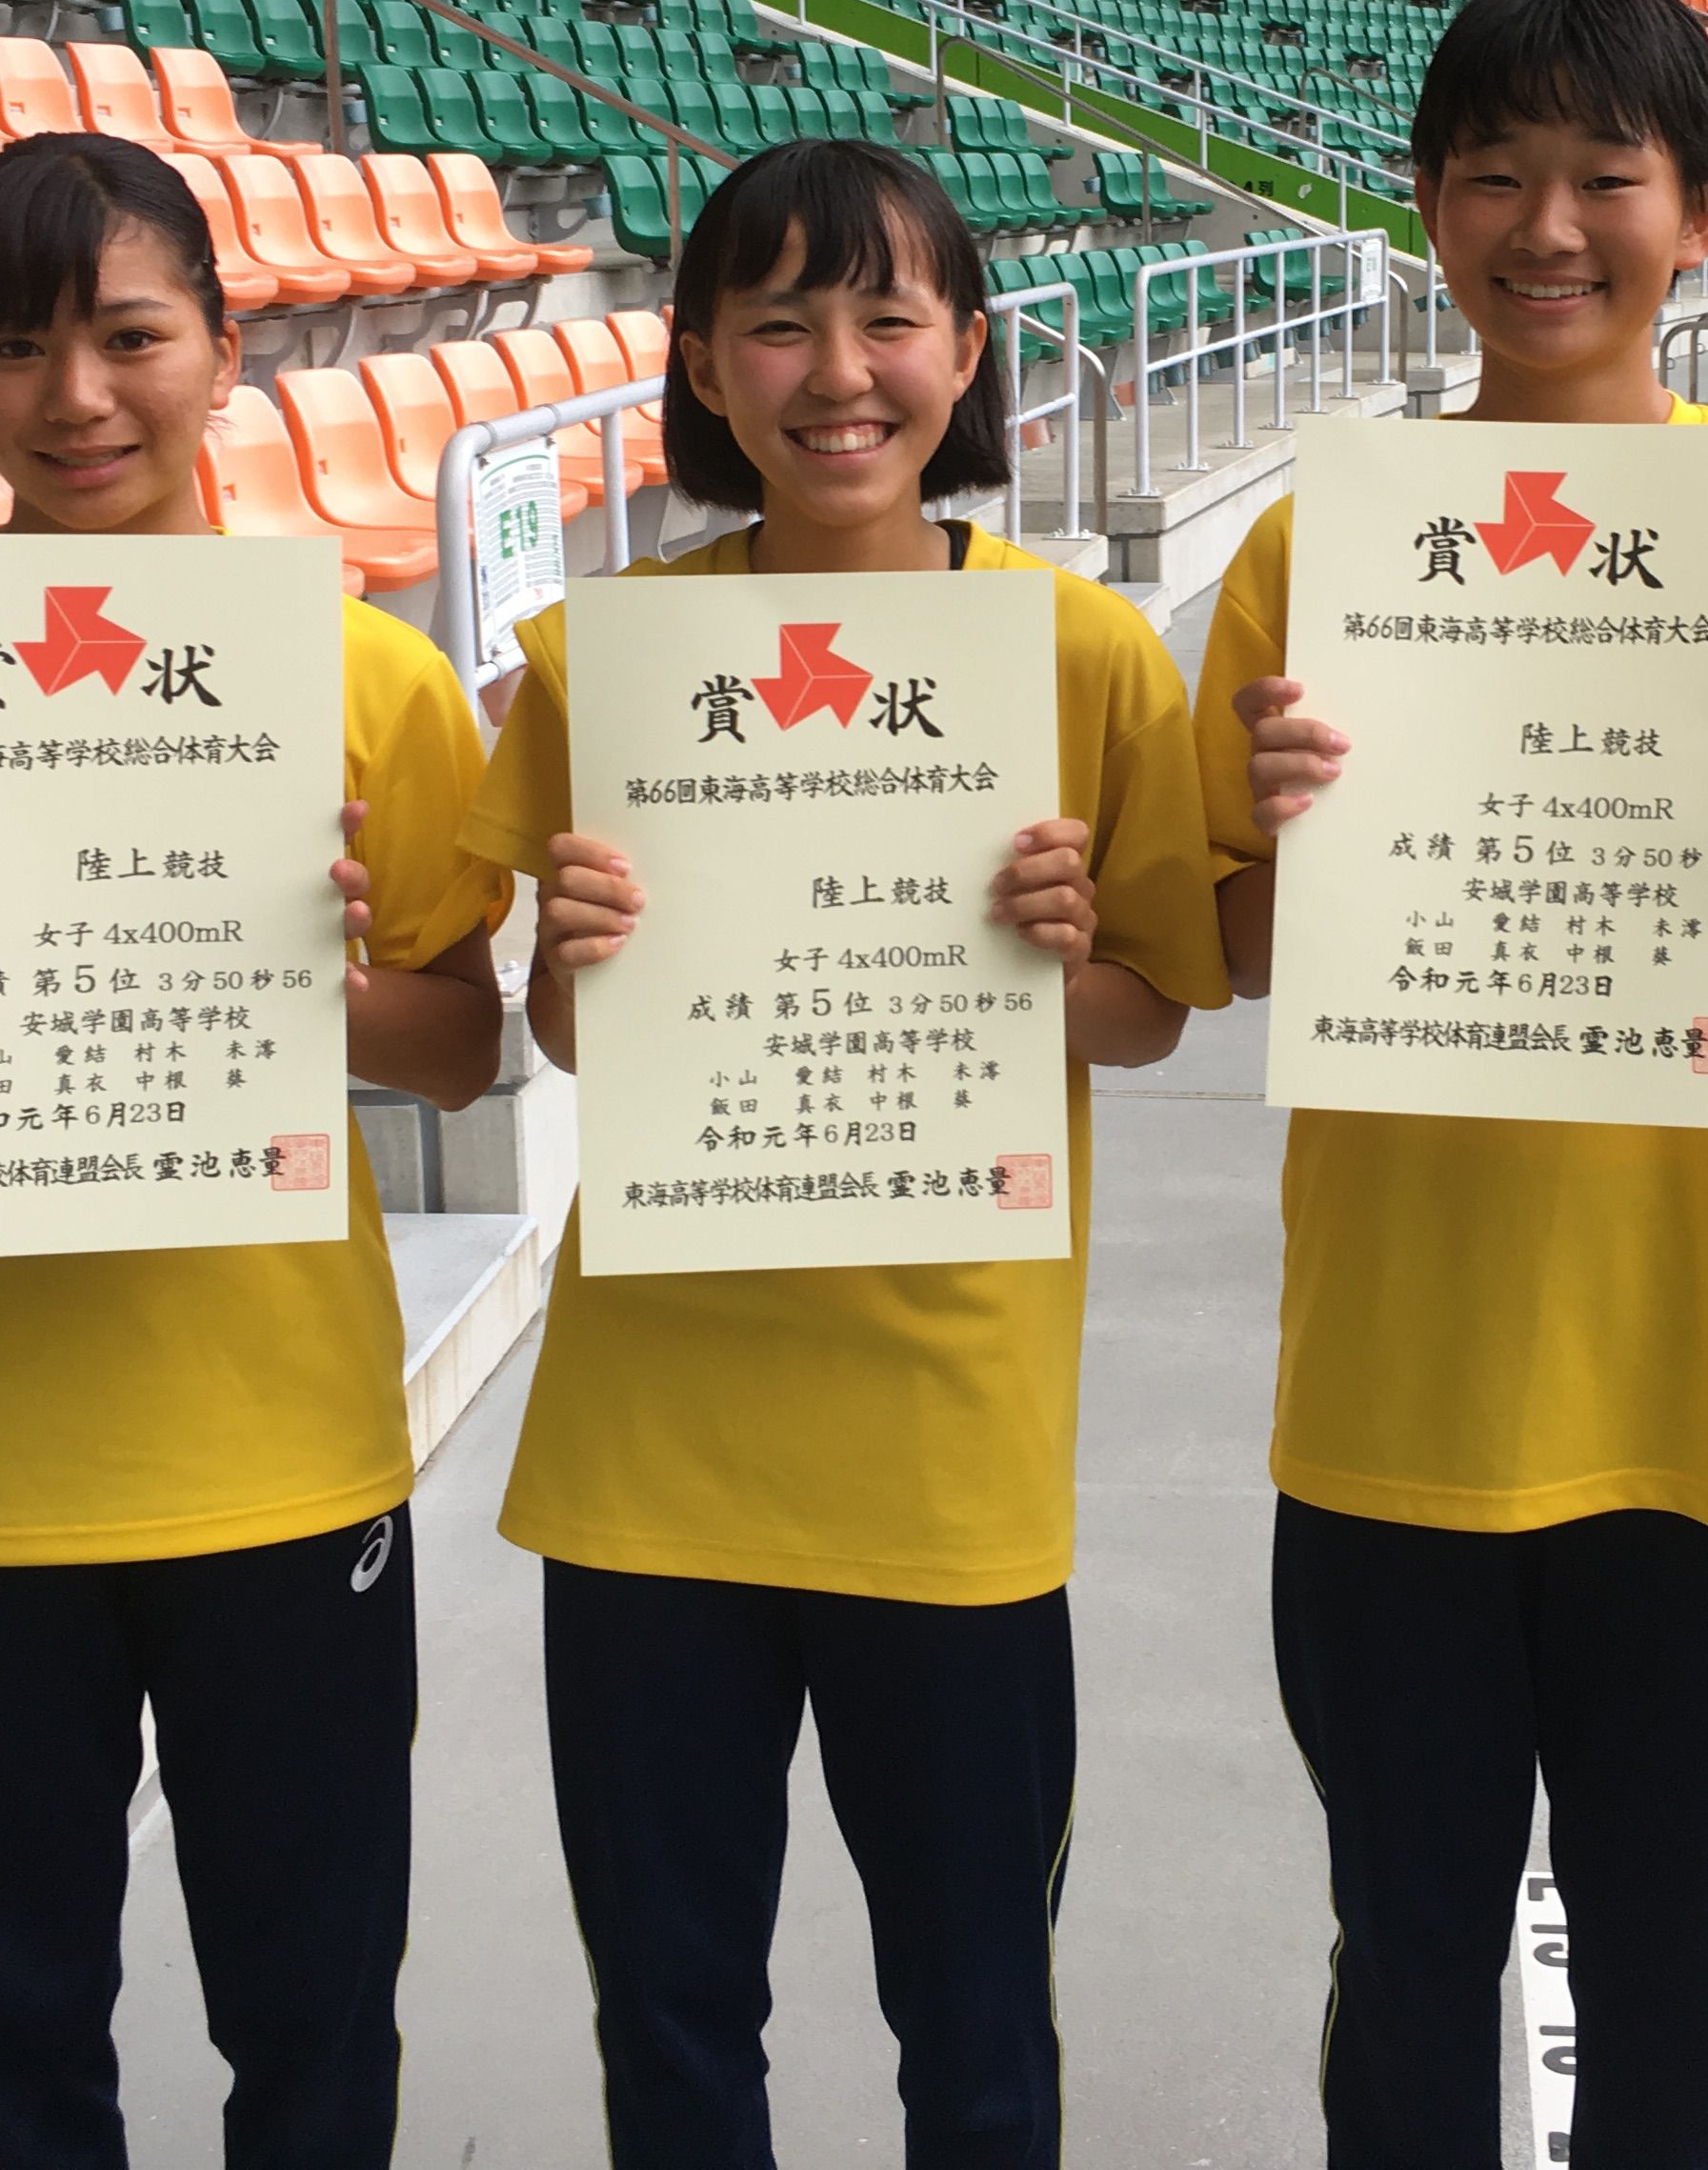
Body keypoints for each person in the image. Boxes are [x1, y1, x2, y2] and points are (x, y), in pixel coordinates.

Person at [1199, 0, 1708, 2167]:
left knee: (1675, 1961)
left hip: (1697, 1400)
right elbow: (1249, 956)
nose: (1548, 230)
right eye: (1494, 178)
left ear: (1705, 209)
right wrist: (1275, 836)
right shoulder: (1318, 550)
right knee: (1409, 1949)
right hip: (1395, 1401)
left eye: (1602, 178)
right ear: (1427, 210)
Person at [0, 131, 510, 2169]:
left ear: (224, 349)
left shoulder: (368, 678)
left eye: (131, 336)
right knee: (8, 2042)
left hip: (279, 1456)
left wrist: (302, 986)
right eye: (14, 348)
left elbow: (469, 1050)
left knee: (313, 2027)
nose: (78, 400)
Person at [463, 138, 1226, 2169]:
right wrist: (580, 963)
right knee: (677, 2024)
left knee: (974, 2026)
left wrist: (1051, 963)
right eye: (777, 320)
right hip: (652, 1456)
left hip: (947, 1444)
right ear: (703, 365)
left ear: (967, 352)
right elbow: (554, 1027)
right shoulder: (597, 664)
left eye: (889, 317)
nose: (838, 370)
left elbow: (1152, 1006)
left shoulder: (1079, 659)